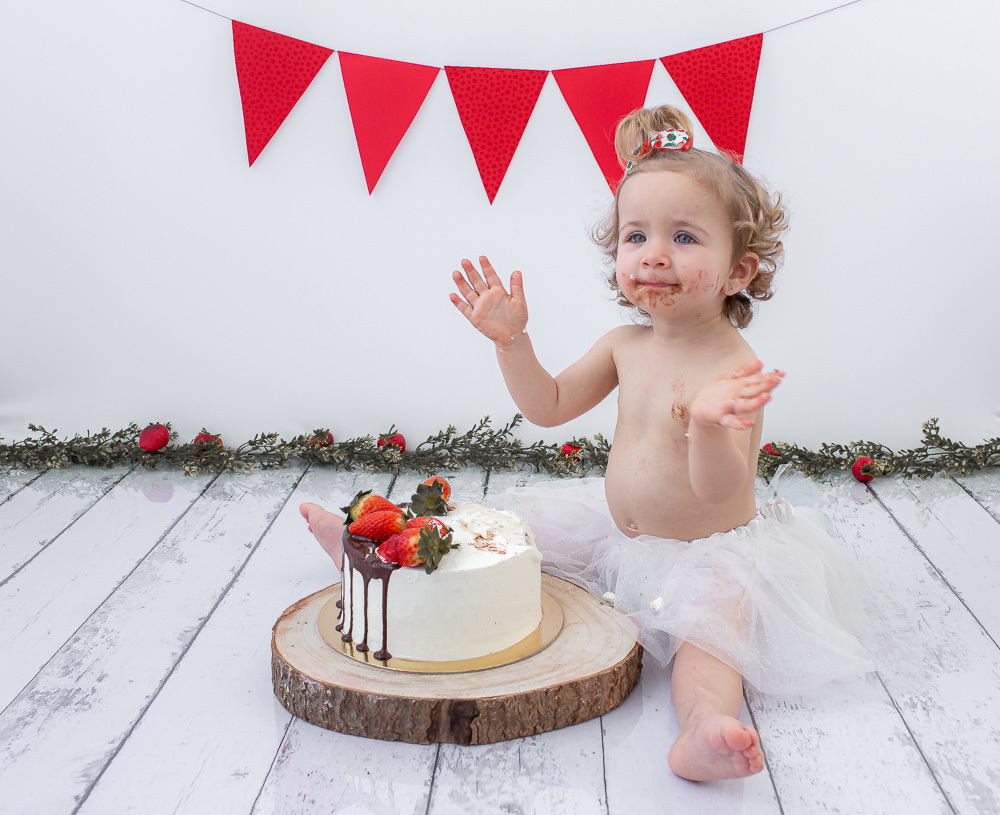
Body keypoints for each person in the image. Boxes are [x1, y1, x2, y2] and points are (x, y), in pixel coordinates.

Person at [302, 104, 877, 782]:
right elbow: (547, 405)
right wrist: (513, 342)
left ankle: (702, 727)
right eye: (637, 235)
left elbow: (722, 490)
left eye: (685, 237)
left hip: (712, 554)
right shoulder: (624, 345)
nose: (654, 253)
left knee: (709, 642)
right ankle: (382, 545)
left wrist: (708, 424)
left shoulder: (733, 372)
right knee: (509, 530)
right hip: (618, 532)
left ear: (739, 270)